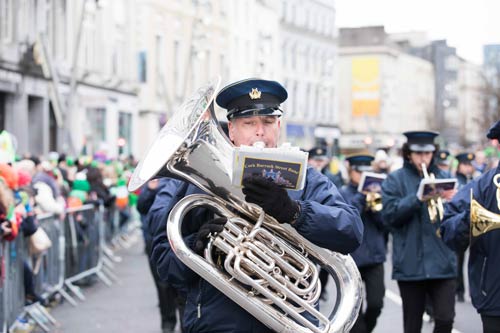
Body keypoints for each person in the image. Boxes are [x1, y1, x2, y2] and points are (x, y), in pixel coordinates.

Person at [147, 78, 364, 333]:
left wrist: (294, 212)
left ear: (279, 126)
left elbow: (351, 231)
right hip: (217, 324)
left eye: (268, 122)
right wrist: (197, 245)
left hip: (289, 322)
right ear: (231, 130)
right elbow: (164, 264)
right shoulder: (199, 183)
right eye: (249, 123)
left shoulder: (308, 178)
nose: (260, 132)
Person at [381, 131, 458, 333]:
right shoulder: (394, 179)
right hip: (410, 264)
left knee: (445, 319)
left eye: (428, 153)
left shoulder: (445, 177)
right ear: (408, 154)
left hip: (442, 261)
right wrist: (416, 199)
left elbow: (458, 219)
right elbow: (388, 216)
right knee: (412, 326)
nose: (423, 158)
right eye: (418, 154)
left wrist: (454, 202)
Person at [440, 120, 500, 333]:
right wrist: (469, 219)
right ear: (499, 145)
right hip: (495, 294)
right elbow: (448, 231)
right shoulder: (481, 186)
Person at [340, 154, 387, 333]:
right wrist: (361, 197)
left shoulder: (375, 194)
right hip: (352, 260)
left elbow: (385, 224)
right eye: (360, 172)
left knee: (376, 303)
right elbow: (347, 220)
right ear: (351, 171)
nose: (363, 177)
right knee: (353, 310)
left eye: (367, 173)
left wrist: (375, 206)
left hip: (374, 258)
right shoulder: (343, 193)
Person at [137, 179, 184, 333]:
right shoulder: (159, 181)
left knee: (184, 290)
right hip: (156, 239)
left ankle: (183, 325)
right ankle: (168, 324)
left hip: (182, 242)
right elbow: (142, 206)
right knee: (163, 287)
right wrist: (150, 189)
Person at [453, 152, 475, 303]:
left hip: (473, 225)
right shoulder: (455, 181)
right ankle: (459, 290)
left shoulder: (473, 181)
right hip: (459, 224)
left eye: (469, 165)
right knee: (458, 261)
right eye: (465, 165)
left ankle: (471, 290)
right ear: (459, 165)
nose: (468, 168)